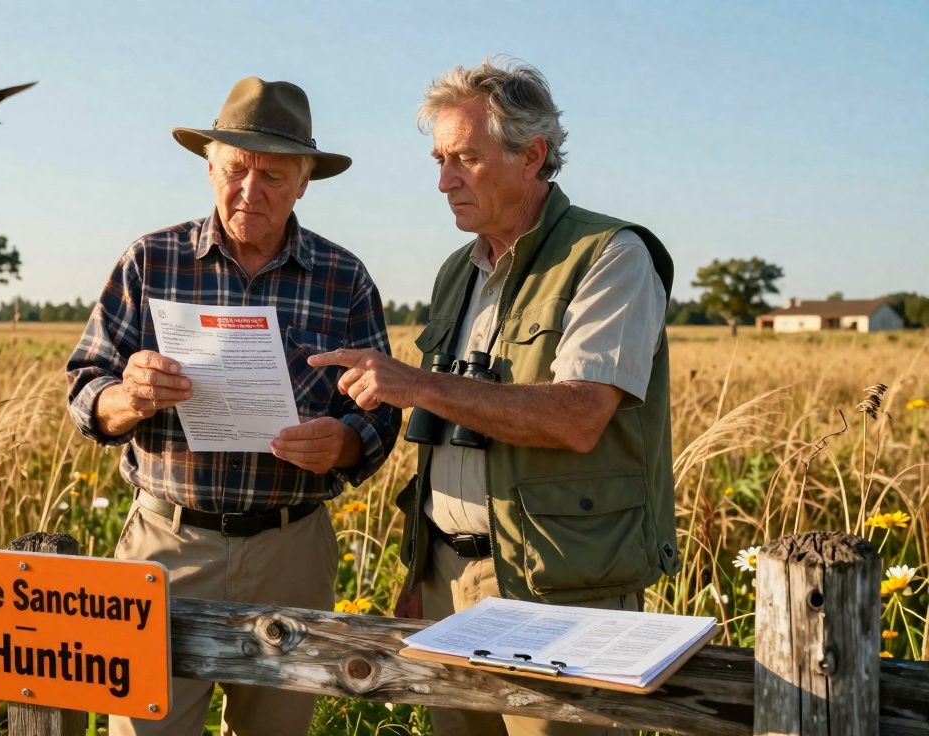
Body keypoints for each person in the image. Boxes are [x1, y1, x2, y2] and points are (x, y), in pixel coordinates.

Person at [309, 58, 679, 736]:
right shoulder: (460, 270)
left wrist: (415, 383)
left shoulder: (611, 256)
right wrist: (422, 568)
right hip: (451, 585)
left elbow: (579, 416)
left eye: (466, 159)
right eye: (439, 159)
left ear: (532, 156)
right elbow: (446, 439)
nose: (445, 181)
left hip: (563, 591)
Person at [66, 76, 400, 736]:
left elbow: (382, 417)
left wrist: (343, 443)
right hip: (167, 545)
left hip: (291, 550)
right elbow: (85, 392)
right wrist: (128, 398)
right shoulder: (150, 261)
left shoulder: (345, 278)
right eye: (235, 171)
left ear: (305, 181)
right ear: (210, 167)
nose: (250, 191)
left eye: (273, 176)